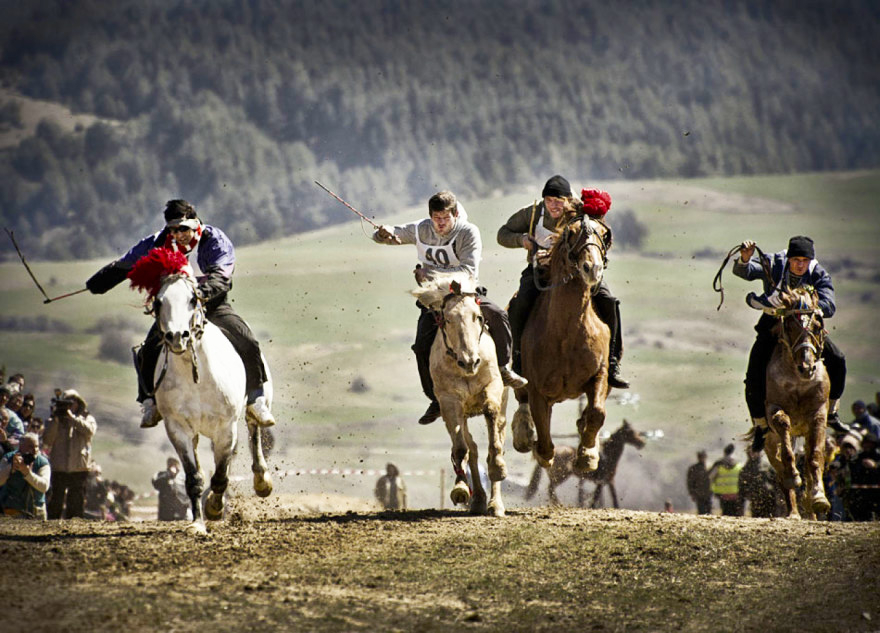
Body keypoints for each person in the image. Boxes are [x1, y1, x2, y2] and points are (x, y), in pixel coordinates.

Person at [85, 199, 274, 429]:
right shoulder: (159, 241)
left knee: (247, 340)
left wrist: (196, 295)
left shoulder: (214, 241)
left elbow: (221, 278)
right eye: (172, 229)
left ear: (195, 224)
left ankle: (256, 400)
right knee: (148, 350)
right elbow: (127, 263)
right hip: (175, 310)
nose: (177, 234)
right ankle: (150, 402)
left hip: (211, 304)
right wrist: (98, 282)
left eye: (183, 229)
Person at [373, 190, 527, 425]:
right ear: (430, 216)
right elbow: (391, 235)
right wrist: (384, 233)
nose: (440, 223)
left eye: (445, 218)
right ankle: (434, 397)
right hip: (435, 300)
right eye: (436, 218)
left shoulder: (468, 232)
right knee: (421, 345)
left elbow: (468, 271)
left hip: (465, 294)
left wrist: (429, 274)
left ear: (455, 214)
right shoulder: (422, 228)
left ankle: (504, 368)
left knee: (497, 315)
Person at [497, 175, 630, 388]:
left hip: (577, 275)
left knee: (609, 301)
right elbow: (502, 233)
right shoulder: (532, 213)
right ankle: (518, 360)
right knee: (519, 303)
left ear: (568, 200)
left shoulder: (581, 212)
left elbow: (602, 235)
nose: (553, 206)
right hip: (539, 271)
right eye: (549, 201)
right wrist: (521, 240)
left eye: (558, 201)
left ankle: (612, 362)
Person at [734, 236, 846, 444]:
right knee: (754, 372)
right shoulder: (773, 263)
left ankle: (831, 412)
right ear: (789, 258)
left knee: (838, 359)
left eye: (804, 260)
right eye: (796, 260)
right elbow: (746, 272)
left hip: (806, 327)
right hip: (773, 324)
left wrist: (809, 307)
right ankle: (760, 424)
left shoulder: (818, 273)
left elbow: (829, 304)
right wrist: (745, 259)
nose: (800, 264)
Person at [42, 389, 96, 519]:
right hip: (59, 466)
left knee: (76, 501)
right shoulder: (54, 419)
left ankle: (74, 525)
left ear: (79, 403)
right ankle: (52, 524)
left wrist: (73, 419)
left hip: (79, 467)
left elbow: (89, 431)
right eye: (66, 403)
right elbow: (47, 440)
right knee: (56, 500)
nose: (70, 406)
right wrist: (55, 420)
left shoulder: (87, 418)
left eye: (72, 402)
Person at [0, 433, 51, 519]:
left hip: (37, 511)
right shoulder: (9, 458)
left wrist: (28, 473)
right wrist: (11, 468)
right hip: (13, 511)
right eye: (30, 446)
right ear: (21, 446)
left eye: (37, 446)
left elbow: (44, 487)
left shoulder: (42, 462)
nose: (34, 450)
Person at [737, 446, 779, 518]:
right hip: (755, 500)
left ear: (759, 453)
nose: (752, 454)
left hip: (769, 499)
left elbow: (776, 483)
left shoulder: (767, 466)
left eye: (754, 451)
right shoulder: (746, 468)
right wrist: (741, 508)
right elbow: (741, 488)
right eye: (750, 452)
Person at [709, 444, 743, 516]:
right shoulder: (738, 464)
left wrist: (712, 489)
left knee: (726, 513)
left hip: (723, 493)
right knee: (736, 514)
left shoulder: (719, 463)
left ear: (724, 453)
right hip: (736, 493)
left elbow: (711, 476)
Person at [686, 449, 713, 515]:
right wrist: (692, 493)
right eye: (701, 456)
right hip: (699, 494)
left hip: (708, 493)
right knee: (702, 512)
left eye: (703, 456)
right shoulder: (694, 468)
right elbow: (690, 482)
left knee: (709, 512)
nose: (702, 458)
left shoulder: (709, 467)